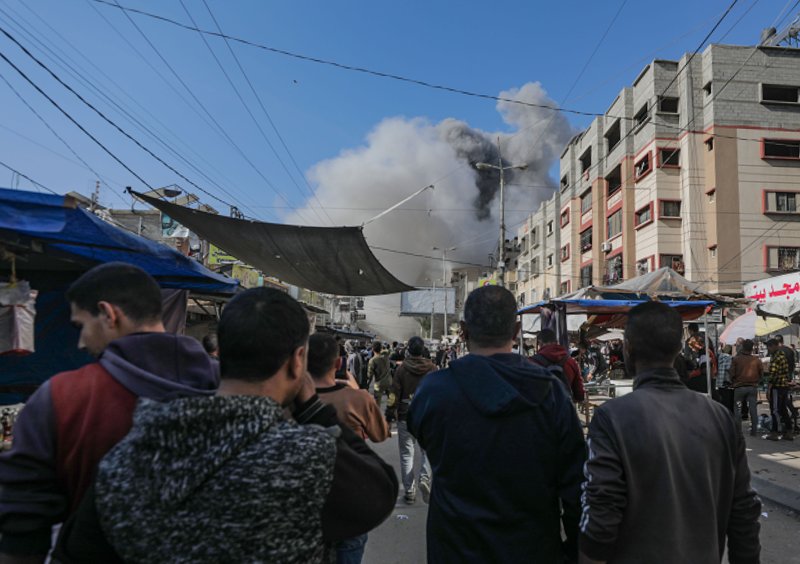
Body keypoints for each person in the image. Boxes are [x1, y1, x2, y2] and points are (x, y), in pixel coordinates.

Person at [57, 287, 398, 562]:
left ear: (222, 350)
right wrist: (312, 409)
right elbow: (379, 492)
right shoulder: (305, 455)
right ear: (298, 361)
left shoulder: (130, 450)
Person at [0, 262, 220, 561]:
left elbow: (24, 523)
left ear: (108, 314)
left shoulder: (64, 396)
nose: (80, 341)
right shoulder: (227, 387)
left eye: (80, 326)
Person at [408, 286, 586, 562]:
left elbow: (423, 437)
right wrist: (576, 550)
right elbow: (576, 487)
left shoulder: (434, 391)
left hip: (454, 550)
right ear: (516, 330)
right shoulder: (551, 393)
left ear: (464, 331)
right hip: (533, 550)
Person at [580, 302, 761, 564]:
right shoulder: (720, 417)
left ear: (628, 348)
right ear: (678, 349)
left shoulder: (612, 418)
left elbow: (599, 521)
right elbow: (744, 512)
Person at [307, 332, 391, 564]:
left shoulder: (288, 400)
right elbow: (381, 434)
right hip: (349, 497)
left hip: (306, 500)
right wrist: (357, 390)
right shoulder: (357, 399)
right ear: (337, 363)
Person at [388, 336, 437, 504]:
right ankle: (425, 478)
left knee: (406, 455)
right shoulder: (432, 368)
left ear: (408, 350)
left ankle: (409, 492)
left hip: (405, 417)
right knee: (428, 451)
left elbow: (393, 394)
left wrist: (389, 413)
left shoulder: (401, 370)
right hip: (428, 416)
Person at [532, 329, 585, 402]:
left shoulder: (531, 362)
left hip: (541, 411)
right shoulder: (571, 362)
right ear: (557, 342)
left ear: (539, 343)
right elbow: (580, 395)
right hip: (564, 409)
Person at [729, 339, 763, 437]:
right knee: (753, 410)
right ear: (752, 348)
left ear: (743, 347)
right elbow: (761, 374)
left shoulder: (736, 359)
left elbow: (731, 374)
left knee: (738, 409)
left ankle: (738, 432)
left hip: (739, 388)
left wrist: (733, 381)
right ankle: (754, 431)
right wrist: (757, 381)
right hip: (752, 388)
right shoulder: (756, 360)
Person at [765, 338, 793, 441]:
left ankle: (775, 432)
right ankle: (789, 432)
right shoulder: (782, 355)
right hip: (784, 386)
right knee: (783, 410)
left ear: (774, 346)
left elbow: (773, 375)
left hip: (777, 387)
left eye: (769, 346)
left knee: (775, 410)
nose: (768, 348)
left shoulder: (776, 357)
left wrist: (768, 389)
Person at [367, 341, 392, 407]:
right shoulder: (386, 355)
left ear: (372, 349)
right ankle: (394, 415)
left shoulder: (372, 360)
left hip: (378, 384)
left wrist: (367, 385)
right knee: (392, 402)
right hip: (389, 382)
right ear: (381, 348)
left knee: (377, 404)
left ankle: (377, 416)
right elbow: (388, 350)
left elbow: (370, 375)